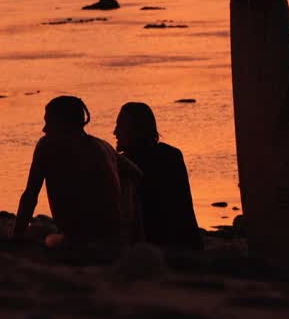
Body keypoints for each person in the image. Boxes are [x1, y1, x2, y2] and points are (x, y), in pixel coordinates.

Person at [13, 96, 138, 245]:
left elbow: (30, 195)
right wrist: (125, 214)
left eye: (49, 123)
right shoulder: (103, 146)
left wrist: (17, 236)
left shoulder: (46, 146)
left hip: (77, 240)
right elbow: (135, 173)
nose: (44, 129)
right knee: (41, 229)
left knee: (43, 235)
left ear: (63, 124)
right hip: (115, 238)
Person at [114, 101, 203, 250]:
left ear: (135, 130)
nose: (115, 132)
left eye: (120, 126)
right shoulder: (172, 155)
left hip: (153, 246)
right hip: (187, 244)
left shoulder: (126, 165)